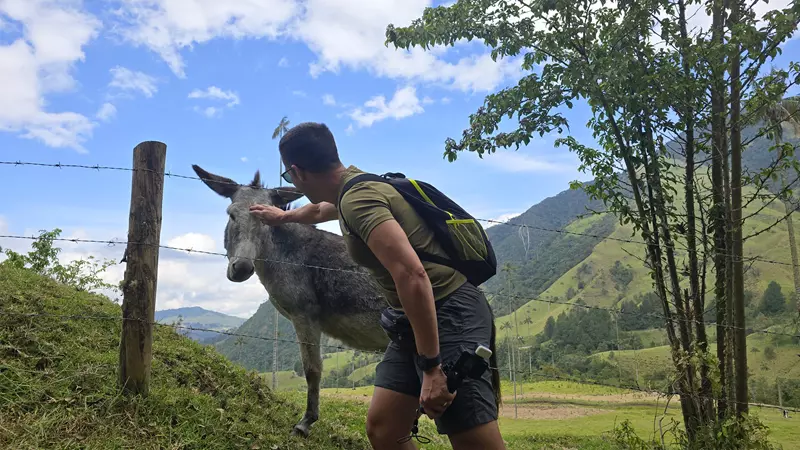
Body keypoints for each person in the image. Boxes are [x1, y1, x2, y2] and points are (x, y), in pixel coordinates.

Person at [249, 122, 505, 450]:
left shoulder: (358, 200)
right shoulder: (353, 187)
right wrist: (282, 217)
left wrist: (430, 366)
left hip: (449, 311)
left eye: (288, 177)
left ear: (297, 173)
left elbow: (412, 275)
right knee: (384, 428)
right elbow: (318, 209)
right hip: (410, 318)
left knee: (473, 439)